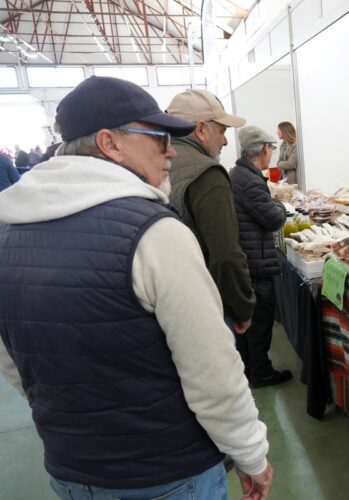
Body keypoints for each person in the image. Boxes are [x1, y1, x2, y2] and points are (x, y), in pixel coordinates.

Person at [0, 76, 273, 499]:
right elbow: (212, 372)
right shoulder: (153, 234)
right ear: (110, 143)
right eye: (157, 137)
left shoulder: (7, 234)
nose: (168, 151)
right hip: (168, 472)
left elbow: (15, 361)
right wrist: (251, 454)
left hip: (73, 471)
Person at [166, 89, 257, 340]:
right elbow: (226, 254)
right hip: (207, 303)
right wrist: (242, 308)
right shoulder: (207, 174)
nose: (225, 142)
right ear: (201, 129)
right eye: (222, 131)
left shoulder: (160, 162)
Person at [229, 126, 292, 388]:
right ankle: (261, 373)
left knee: (250, 325)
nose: (272, 153)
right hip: (256, 262)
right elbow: (275, 218)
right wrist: (278, 204)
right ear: (263, 150)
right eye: (271, 148)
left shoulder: (241, 174)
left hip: (250, 258)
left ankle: (250, 370)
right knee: (260, 323)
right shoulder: (250, 180)